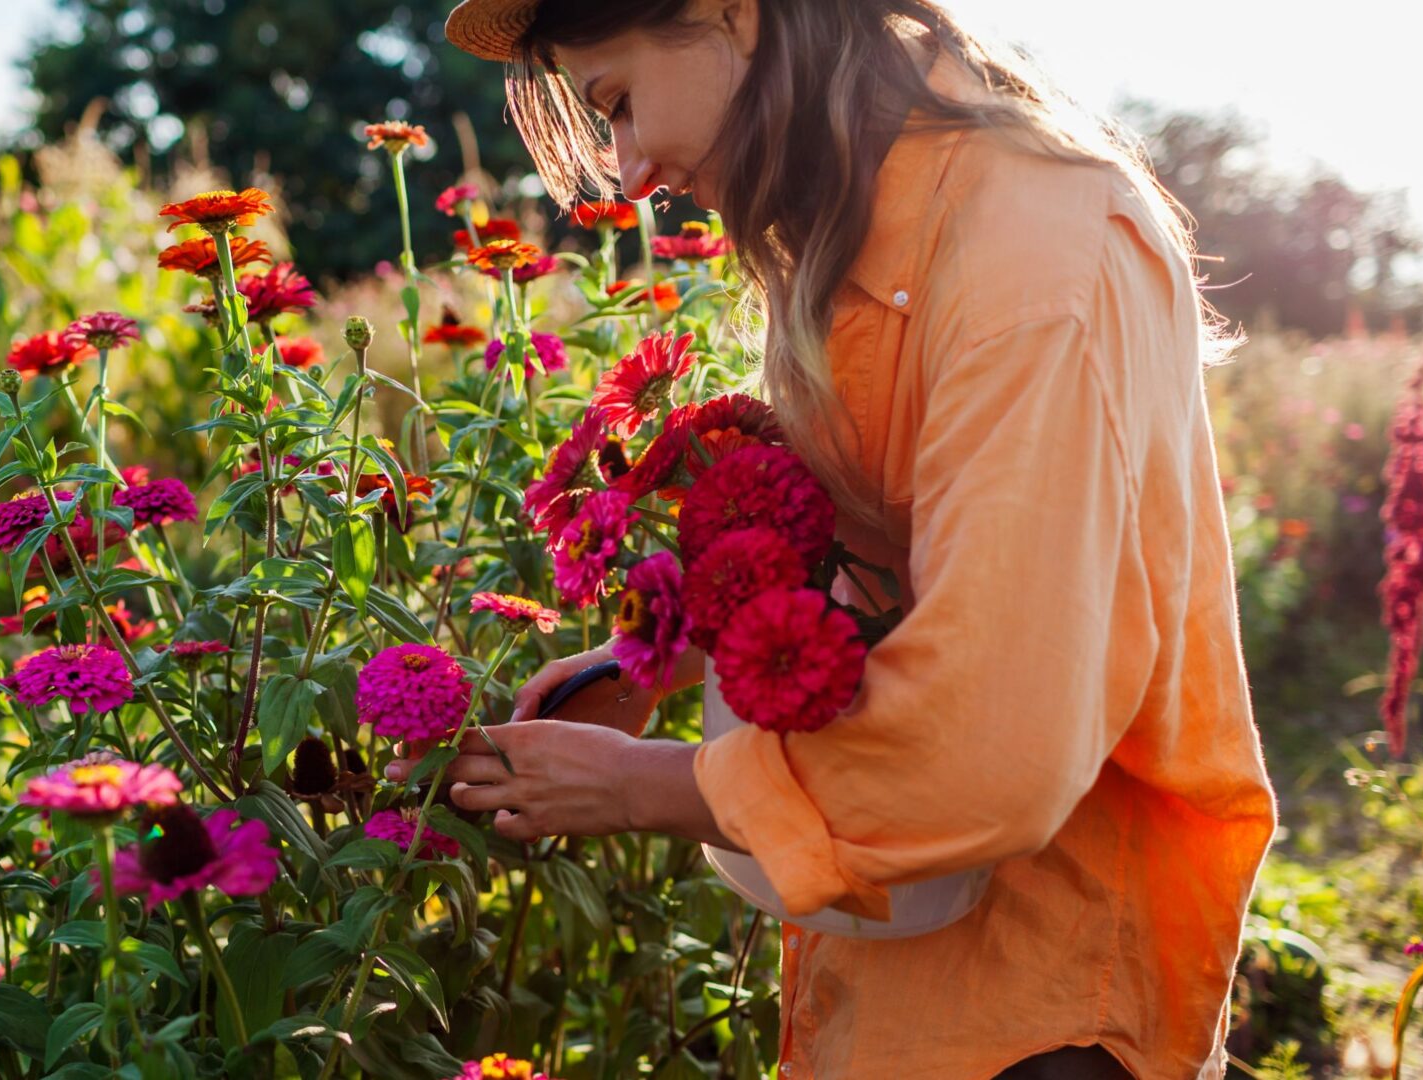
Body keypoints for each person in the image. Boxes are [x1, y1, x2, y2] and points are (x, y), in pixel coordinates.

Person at [384, 1, 1280, 1076]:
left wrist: (639, 786)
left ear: (733, 13)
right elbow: (888, 575)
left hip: (1046, 1009)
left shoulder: (1035, 253)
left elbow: (993, 738)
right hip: (915, 982)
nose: (626, 172)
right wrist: (666, 655)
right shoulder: (861, 235)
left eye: (619, 103)